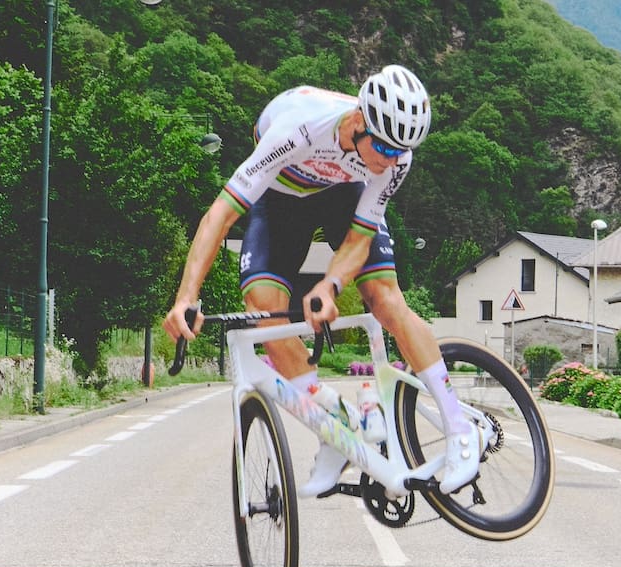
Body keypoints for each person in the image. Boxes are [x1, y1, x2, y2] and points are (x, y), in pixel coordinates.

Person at [163, 64, 480, 496]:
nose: (390, 160)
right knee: (265, 314)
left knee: (384, 299)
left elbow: (359, 237)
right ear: (358, 122)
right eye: (384, 148)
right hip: (280, 199)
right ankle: (336, 429)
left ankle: (460, 429)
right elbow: (221, 214)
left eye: (399, 152)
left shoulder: (396, 158)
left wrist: (329, 286)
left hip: (343, 195)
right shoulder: (299, 127)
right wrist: (186, 296)